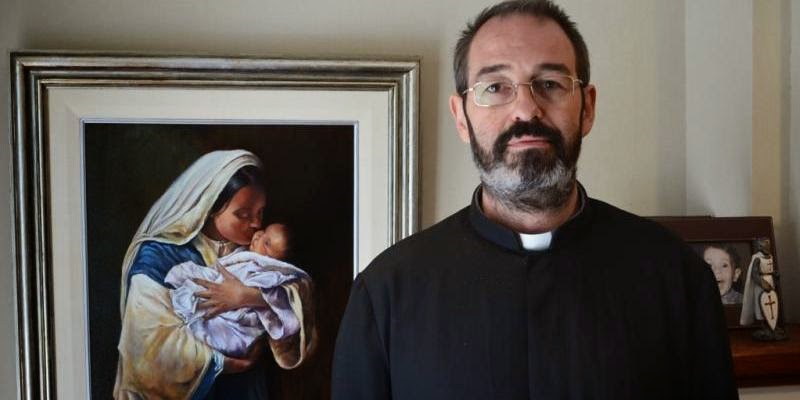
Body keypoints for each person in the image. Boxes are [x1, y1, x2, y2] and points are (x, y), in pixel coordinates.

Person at [331, 1, 737, 399]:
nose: (526, 110)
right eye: (495, 87)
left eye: (550, 84)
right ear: (461, 117)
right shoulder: (385, 294)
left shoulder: (677, 277)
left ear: (588, 108)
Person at [114, 150, 314, 400]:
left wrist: (250, 297)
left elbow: (299, 295)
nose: (256, 225)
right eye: (243, 214)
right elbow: (147, 344)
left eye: (260, 213)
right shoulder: (158, 256)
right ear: (210, 207)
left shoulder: (260, 255)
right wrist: (221, 363)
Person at [165, 223, 310, 358]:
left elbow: (270, 296)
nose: (259, 235)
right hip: (219, 285)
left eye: (267, 243)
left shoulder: (271, 273)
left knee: (214, 327)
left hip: (236, 316)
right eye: (264, 231)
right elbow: (222, 268)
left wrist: (245, 295)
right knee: (191, 276)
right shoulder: (243, 253)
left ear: (275, 261)